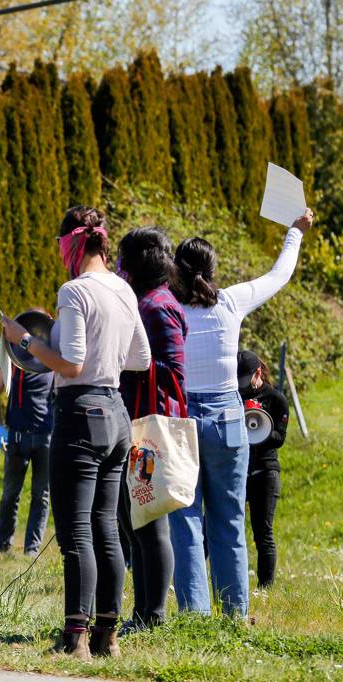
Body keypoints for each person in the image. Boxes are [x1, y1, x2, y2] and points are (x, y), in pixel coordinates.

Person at [2, 205, 150, 659]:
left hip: (80, 411)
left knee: (76, 533)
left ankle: (75, 637)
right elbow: (141, 359)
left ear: (71, 243)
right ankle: (109, 635)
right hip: (116, 413)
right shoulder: (123, 289)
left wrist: (23, 340)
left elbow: (71, 364)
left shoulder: (74, 290)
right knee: (107, 527)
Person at [168, 209, 311, 618]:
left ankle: (194, 616)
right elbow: (278, 276)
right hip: (229, 415)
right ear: (213, 271)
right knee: (229, 520)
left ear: (176, 271)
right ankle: (235, 614)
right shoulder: (230, 302)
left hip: (186, 419)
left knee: (187, 519)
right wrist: (295, 232)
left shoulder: (169, 310)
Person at [114, 227, 187, 633]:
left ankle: (152, 614)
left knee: (148, 520)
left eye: (124, 259)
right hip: (138, 419)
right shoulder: (148, 301)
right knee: (135, 520)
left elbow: (173, 370)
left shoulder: (158, 306)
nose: (119, 267)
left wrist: (125, 354)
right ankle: (142, 612)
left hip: (151, 425)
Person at [0, 339, 54, 557]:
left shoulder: (52, 363)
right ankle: (2, 545)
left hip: (46, 438)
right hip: (17, 438)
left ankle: (31, 550)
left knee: (41, 496)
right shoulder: (14, 362)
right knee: (10, 494)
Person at [238, 350, 288, 589]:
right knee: (217, 526)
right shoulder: (235, 395)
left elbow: (279, 437)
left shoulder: (276, 399)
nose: (244, 386)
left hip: (265, 470)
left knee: (262, 532)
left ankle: (265, 587)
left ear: (258, 373)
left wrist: (259, 428)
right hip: (239, 470)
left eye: (247, 380)